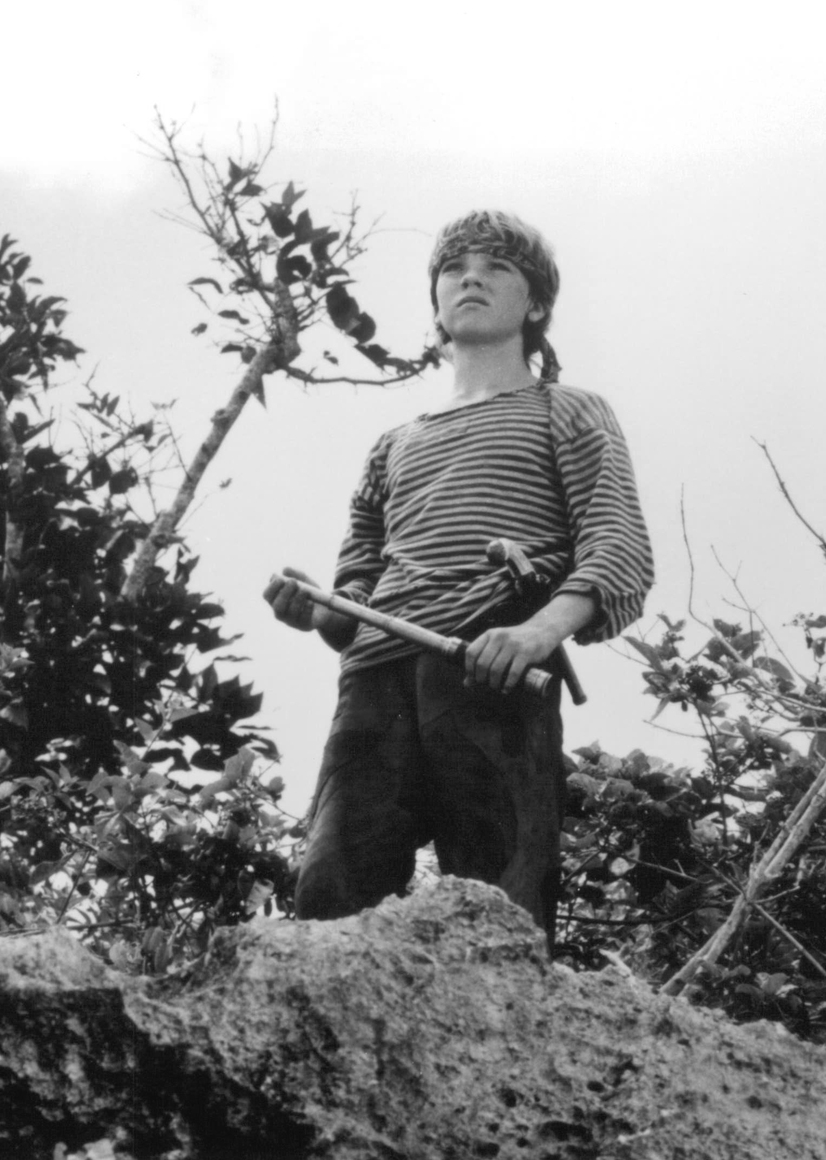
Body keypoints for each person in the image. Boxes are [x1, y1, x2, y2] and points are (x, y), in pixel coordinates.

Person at [263, 209, 653, 945]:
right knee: (329, 896)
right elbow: (351, 603)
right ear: (437, 302)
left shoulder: (563, 410)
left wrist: (536, 633)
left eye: (497, 266)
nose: (470, 276)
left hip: (490, 669)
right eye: (454, 267)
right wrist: (310, 605)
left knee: (497, 907)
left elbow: (618, 546)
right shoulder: (393, 446)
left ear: (534, 305)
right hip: (375, 681)